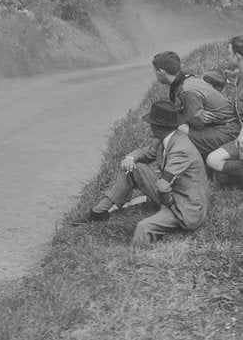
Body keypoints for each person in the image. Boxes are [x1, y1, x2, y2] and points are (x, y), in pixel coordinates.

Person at [84, 101, 210, 248]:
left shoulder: (180, 149)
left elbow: (163, 186)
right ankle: (98, 212)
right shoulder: (168, 138)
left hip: (187, 207)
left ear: (160, 127)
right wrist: (130, 158)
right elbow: (145, 153)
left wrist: (167, 205)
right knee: (133, 168)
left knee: (143, 227)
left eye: (152, 122)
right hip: (175, 192)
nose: (150, 125)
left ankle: (138, 260)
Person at [152, 50, 241, 161]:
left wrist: (188, 118)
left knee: (176, 129)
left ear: (160, 72)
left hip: (228, 131)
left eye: (155, 72)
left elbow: (197, 123)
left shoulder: (187, 90)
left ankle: (183, 167)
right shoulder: (188, 79)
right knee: (177, 126)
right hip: (225, 126)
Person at [205, 35, 243, 184]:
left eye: (229, 53)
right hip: (239, 132)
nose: (227, 57)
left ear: (237, 56)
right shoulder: (239, 77)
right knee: (212, 160)